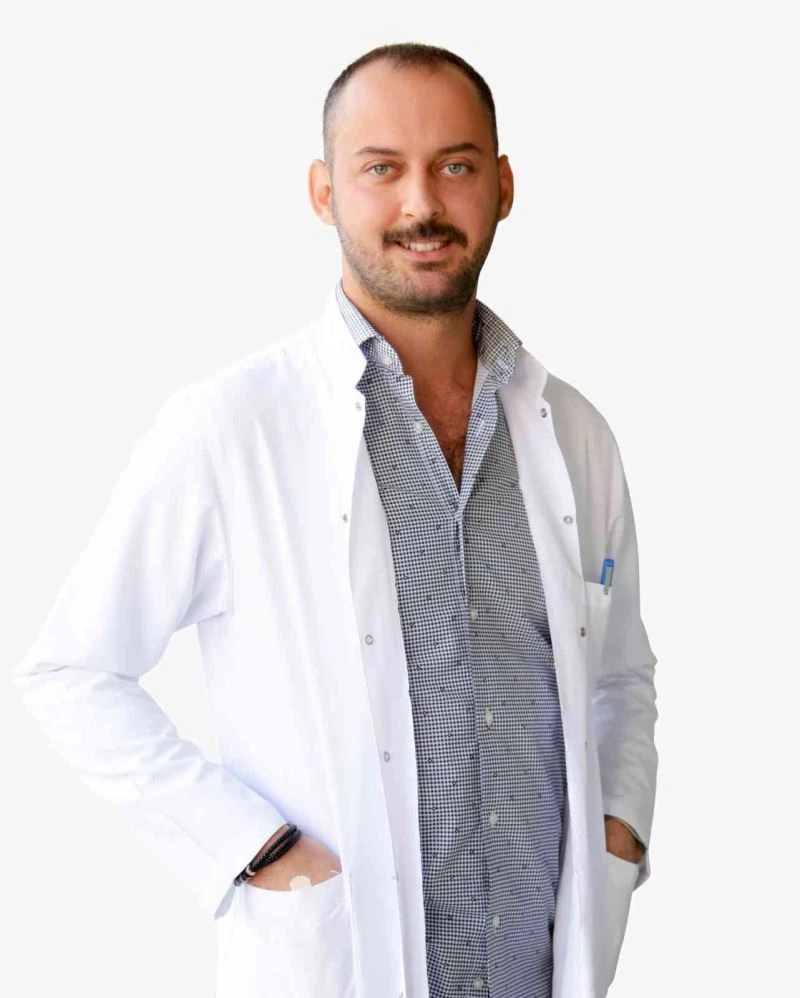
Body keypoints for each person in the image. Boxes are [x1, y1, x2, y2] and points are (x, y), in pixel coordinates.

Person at [11, 42, 658, 998]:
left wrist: (620, 829)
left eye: (456, 166)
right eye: (381, 168)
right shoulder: (232, 428)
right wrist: (251, 848)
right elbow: (71, 671)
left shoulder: (574, 433)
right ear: (324, 193)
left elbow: (622, 675)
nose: (421, 204)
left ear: (504, 186)